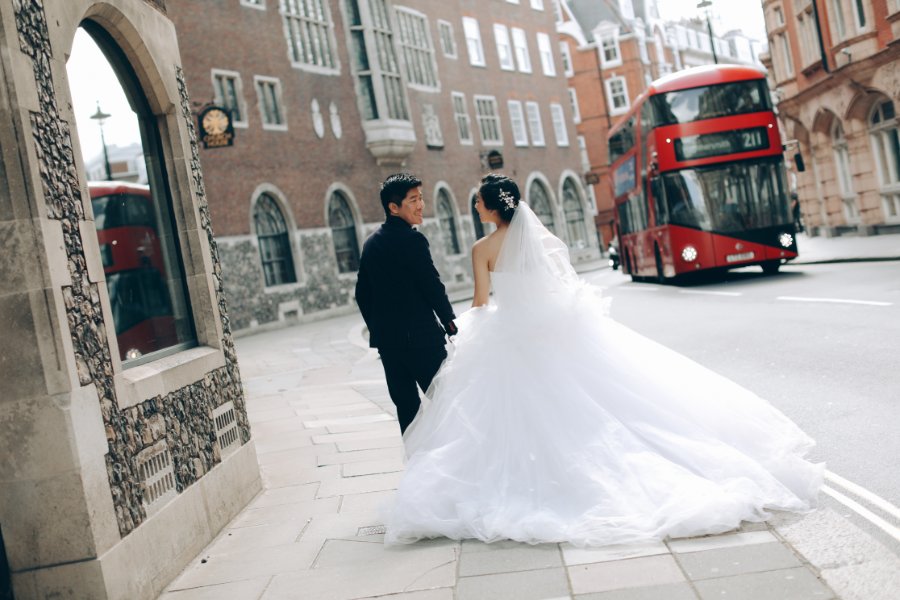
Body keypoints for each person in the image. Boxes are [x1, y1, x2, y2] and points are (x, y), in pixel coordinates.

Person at [383, 174, 822, 547]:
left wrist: (470, 326)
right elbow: (560, 287)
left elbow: (481, 305)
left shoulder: (483, 250)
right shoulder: (547, 240)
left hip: (512, 336)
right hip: (551, 333)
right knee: (590, 405)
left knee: (513, 416)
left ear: (492, 208)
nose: (475, 206)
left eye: (477, 201)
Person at [355, 173, 457, 434]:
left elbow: (362, 294)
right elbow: (431, 284)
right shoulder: (413, 240)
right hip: (423, 340)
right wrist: (448, 320)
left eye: (421, 198)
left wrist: (379, 329)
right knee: (448, 402)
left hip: (389, 346)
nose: (421, 204)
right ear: (393, 207)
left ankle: (417, 466)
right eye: (413, 200)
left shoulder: (371, 243)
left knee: (407, 410)